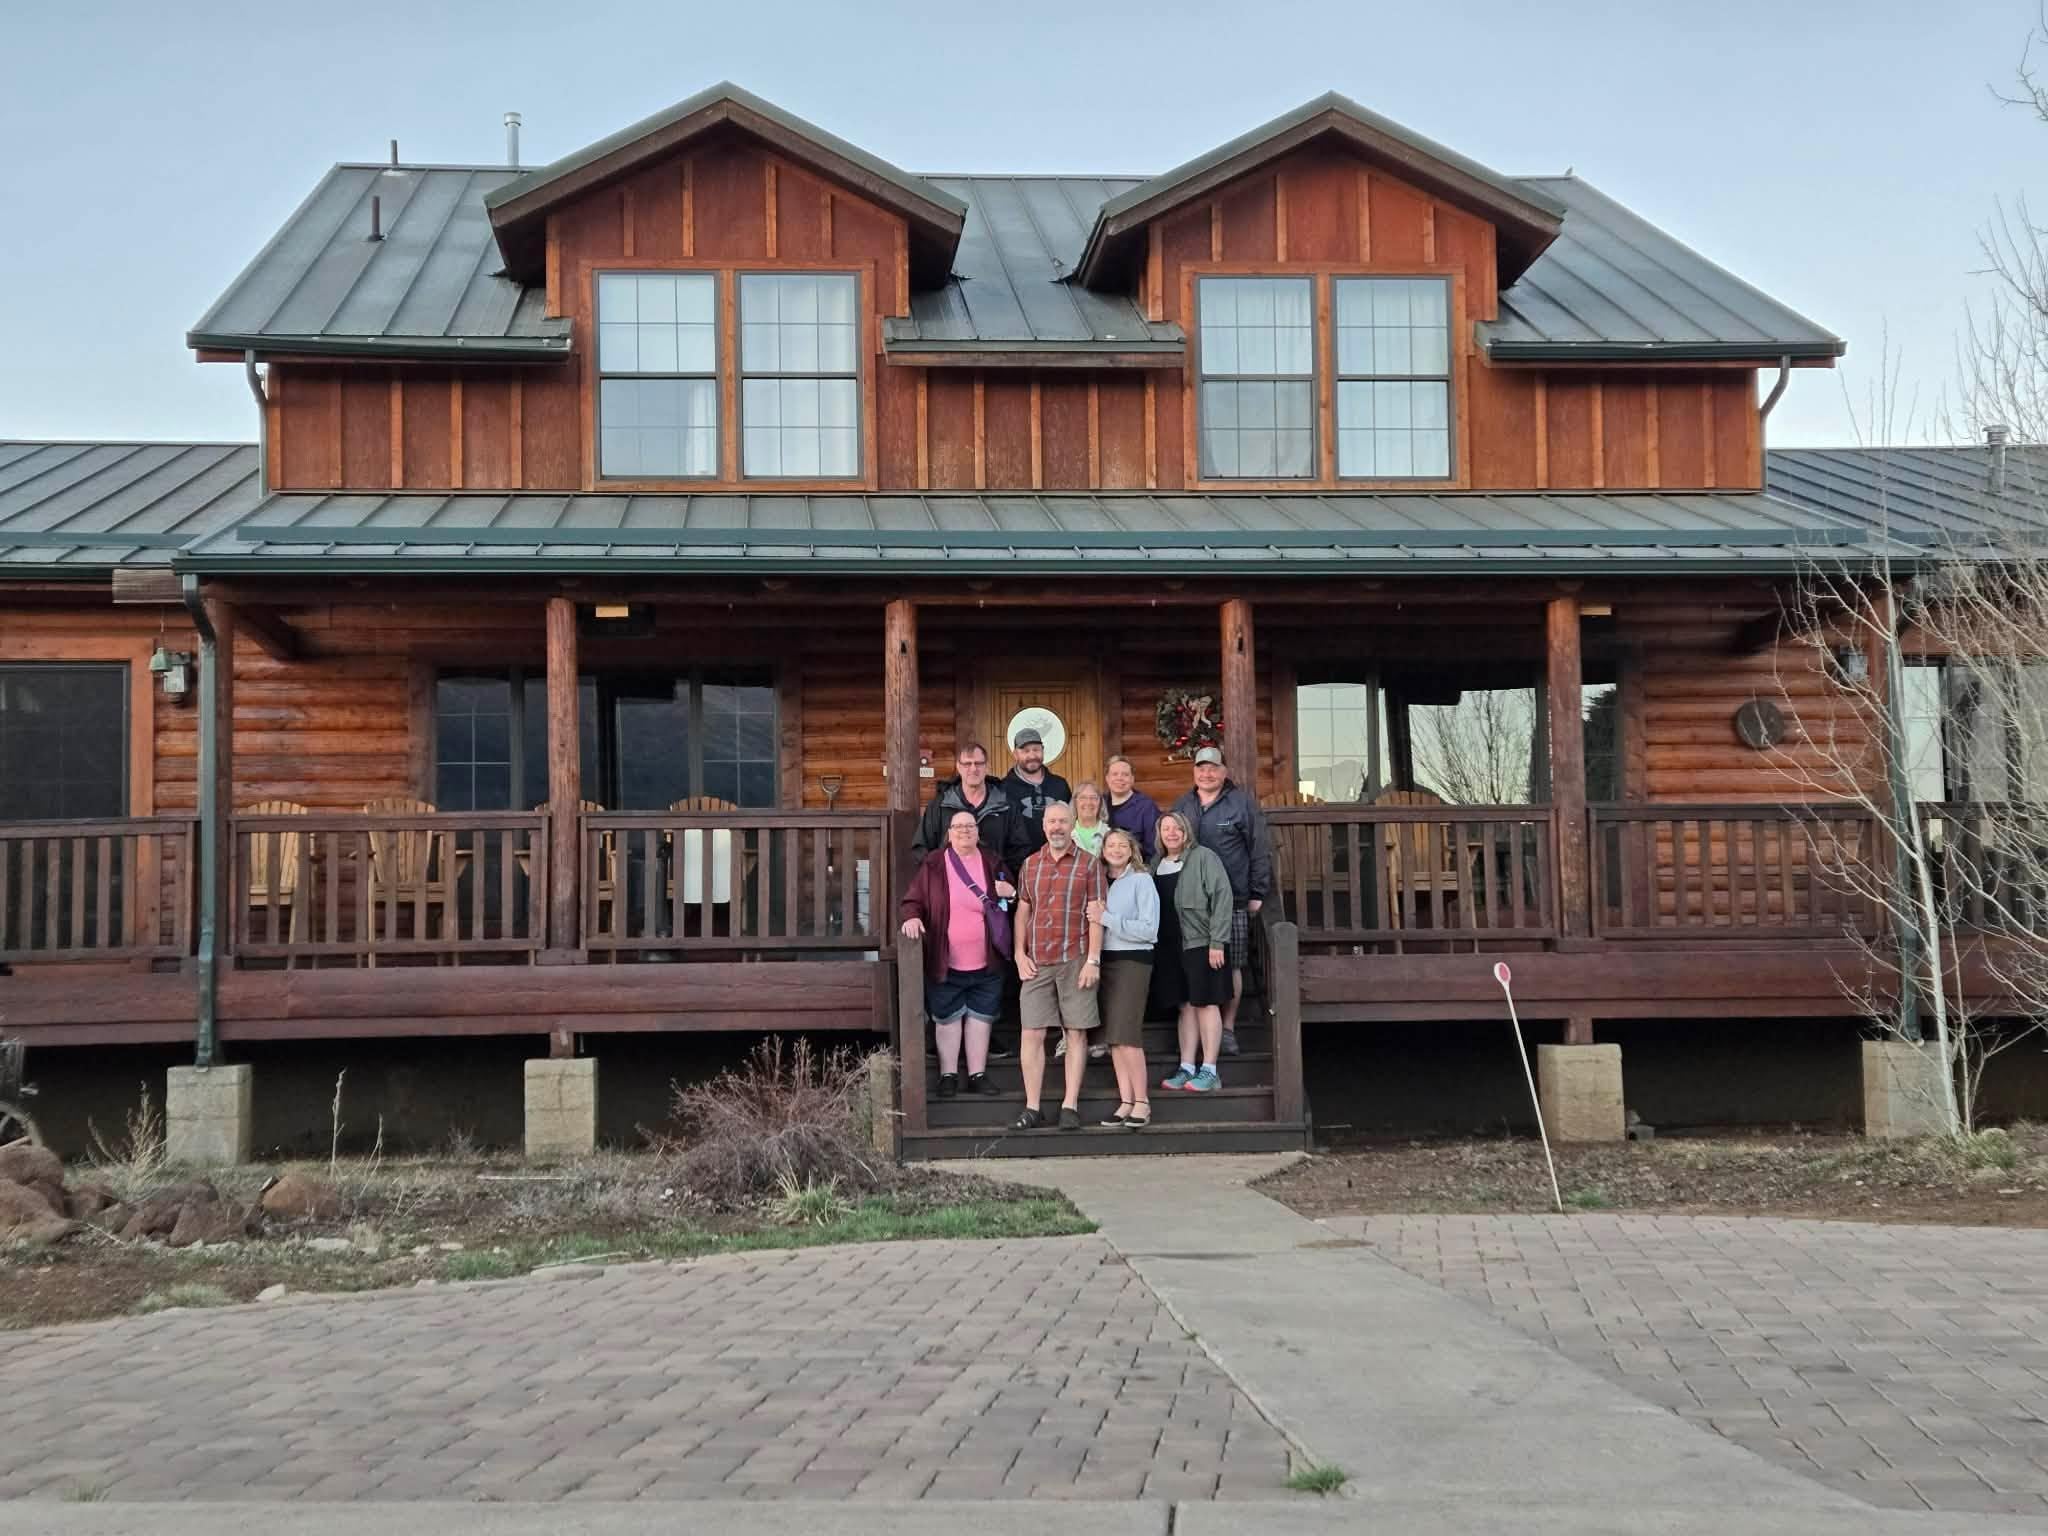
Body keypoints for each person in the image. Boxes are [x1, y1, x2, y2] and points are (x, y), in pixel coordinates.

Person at [1169, 746, 1271, 1058]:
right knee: (1193, 967)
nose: (1207, 773)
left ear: (1223, 772)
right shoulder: (1183, 804)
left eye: (1213, 768)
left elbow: (1259, 848)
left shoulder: (1241, 805)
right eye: (1201, 768)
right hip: (1189, 904)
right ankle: (1196, 1031)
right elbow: (1168, 844)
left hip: (1234, 900)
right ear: (1194, 772)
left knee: (1232, 964)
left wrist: (1257, 892)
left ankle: (1227, 1028)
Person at [899, 811, 1008, 1099]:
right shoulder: (934, 863)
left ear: (978, 831)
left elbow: (1012, 898)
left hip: (988, 959)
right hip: (946, 959)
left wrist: (1011, 891)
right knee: (946, 1018)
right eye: (958, 827)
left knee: (981, 1018)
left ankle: (977, 1074)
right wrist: (911, 917)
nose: (964, 832)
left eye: (970, 826)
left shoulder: (992, 861)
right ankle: (948, 1074)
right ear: (949, 833)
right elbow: (913, 900)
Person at [1012, 801, 1105, 1130]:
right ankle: (1032, 1107)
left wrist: (1093, 959)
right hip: (1036, 961)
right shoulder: (1030, 864)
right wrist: (1019, 954)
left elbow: (1097, 915)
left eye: (1063, 822)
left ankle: (1070, 1105)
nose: (1057, 827)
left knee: (1077, 1032)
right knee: (1031, 1032)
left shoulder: (1090, 864)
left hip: (1075, 958)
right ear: (1044, 826)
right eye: (1052, 822)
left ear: (1072, 824)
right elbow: (1023, 911)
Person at [1152, 810, 1233, 1094]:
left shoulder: (1203, 858)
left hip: (1201, 943)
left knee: (1206, 1003)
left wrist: (1217, 942)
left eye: (1177, 828)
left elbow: (1223, 896)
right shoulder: (1155, 864)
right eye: (1166, 829)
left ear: (1186, 831)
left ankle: (1209, 1070)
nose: (1171, 833)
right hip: (1170, 947)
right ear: (1159, 834)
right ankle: (1187, 1067)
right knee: (1185, 1006)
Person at [1092, 827, 1159, 1129]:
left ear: (1131, 850)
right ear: (1103, 851)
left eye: (1122, 845)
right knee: (1115, 1039)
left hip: (1133, 961)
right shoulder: (1103, 882)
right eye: (1111, 845)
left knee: (1128, 1035)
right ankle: (1125, 1100)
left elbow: (1149, 929)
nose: (1116, 850)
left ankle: (1142, 1102)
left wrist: (1106, 919)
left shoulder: (1141, 881)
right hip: (1108, 962)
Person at [911, 742, 1028, 871]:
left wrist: (1003, 875)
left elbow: (1020, 849)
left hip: (993, 885)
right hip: (950, 886)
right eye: (967, 764)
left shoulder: (1006, 805)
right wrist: (939, 876)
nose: (973, 769)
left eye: (978, 763)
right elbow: (921, 848)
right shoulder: (940, 805)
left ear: (987, 767)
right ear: (958, 767)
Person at [1001, 726, 1073, 859]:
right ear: (1015, 753)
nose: (1032, 755)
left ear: (1043, 751)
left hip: (1060, 860)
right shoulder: (1004, 789)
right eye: (1026, 751)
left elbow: (1072, 824)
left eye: (1036, 750)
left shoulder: (1060, 785)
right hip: (1018, 865)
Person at [1104, 754, 1161, 862]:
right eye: (1114, 774)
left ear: (1132, 779)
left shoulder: (1146, 807)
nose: (1119, 778)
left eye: (1125, 774)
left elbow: (1154, 850)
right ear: (1107, 778)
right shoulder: (1100, 803)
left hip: (1135, 871)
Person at [1070, 780, 1109, 856]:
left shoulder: (1109, 834)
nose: (1088, 802)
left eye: (1093, 798)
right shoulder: (1066, 833)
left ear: (1100, 803)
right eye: (1082, 797)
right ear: (1075, 802)